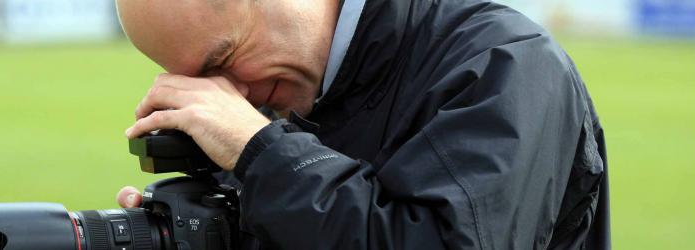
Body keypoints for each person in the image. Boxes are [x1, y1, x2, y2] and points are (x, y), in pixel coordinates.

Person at [114, 0, 610, 249]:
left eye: (223, 59)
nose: (227, 94)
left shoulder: (501, 63)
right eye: (199, 78)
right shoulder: (267, 102)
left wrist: (264, 154)